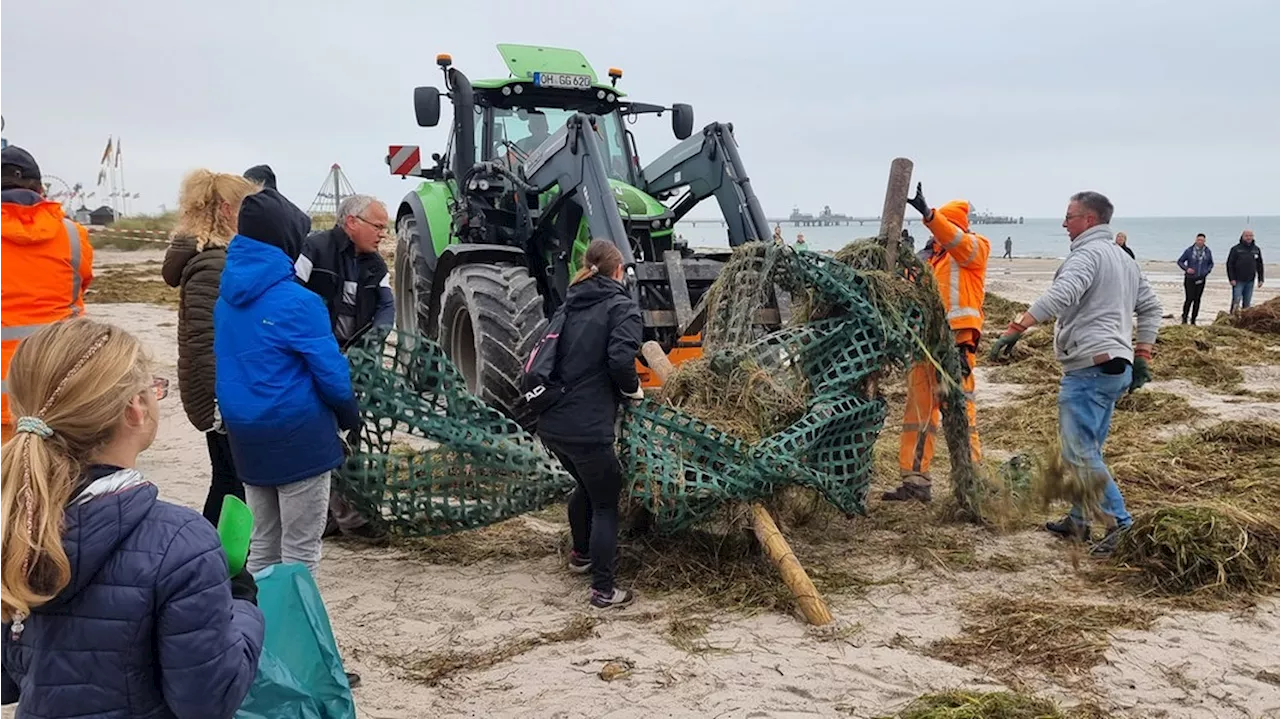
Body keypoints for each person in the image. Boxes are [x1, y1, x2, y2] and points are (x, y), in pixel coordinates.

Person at [0, 318, 263, 717]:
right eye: (154, 387)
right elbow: (208, 701)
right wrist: (242, 604)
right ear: (135, 409)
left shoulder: (13, 525)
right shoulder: (182, 543)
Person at [989, 191, 1161, 557]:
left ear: (1090, 220)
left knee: (1079, 453)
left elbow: (1062, 294)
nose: (1064, 223)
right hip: (1117, 366)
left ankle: (1120, 525)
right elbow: (1151, 307)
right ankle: (1079, 520)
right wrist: (1142, 354)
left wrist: (1016, 327)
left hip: (1090, 367)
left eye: (1070, 216)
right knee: (1088, 449)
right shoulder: (1123, 258)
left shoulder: (1087, 255)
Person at [214, 187, 361, 579]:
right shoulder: (299, 302)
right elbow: (331, 374)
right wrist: (350, 414)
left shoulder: (225, 298)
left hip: (245, 435)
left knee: (262, 543)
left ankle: (256, 627)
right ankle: (294, 632)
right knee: (300, 550)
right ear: (285, 239)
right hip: (298, 435)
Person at [536, 240, 642, 609]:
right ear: (618, 271)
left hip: (551, 421)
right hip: (587, 425)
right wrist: (634, 391)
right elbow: (619, 359)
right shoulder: (622, 308)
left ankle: (580, 555)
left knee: (583, 484)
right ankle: (604, 589)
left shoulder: (569, 305)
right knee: (606, 502)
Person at [162, 170, 261, 525]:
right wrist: (226, 400)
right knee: (232, 482)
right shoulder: (212, 264)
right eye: (244, 207)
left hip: (221, 390)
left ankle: (213, 558)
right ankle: (214, 559)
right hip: (220, 396)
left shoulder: (216, 258)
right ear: (225, 209)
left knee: (229, 479)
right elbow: (204, 342)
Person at [296, 194, 393, 545]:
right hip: (316, 360)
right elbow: (293, 298)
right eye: (378, 226)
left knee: (349, 436)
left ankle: (335, 518)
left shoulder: (376, 266)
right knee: (329, 437)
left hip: (353, 361)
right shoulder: (314, 249)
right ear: (352, 222)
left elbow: (386, 306)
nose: (383, 234)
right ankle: (350, 520)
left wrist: (373, 343)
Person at [883, 184, 989, 503]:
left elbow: (958, 243)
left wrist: (930, 215)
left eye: (940, 225)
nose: (931, 234)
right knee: (918, 411)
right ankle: (915, 481)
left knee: (959, 411)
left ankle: (971, 479)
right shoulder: (932, 260)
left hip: (956, 341)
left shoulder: (974, 247)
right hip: (925, 342)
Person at [0, 146, 94, 443]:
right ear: (41, 189)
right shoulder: (72, 234)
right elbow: (81, 284)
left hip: (3, 406)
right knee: (61, 483)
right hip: (63, 387)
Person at [1176, 233, 1214, 325]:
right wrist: (1187, 269)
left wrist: (1207, 271)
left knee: (1197, 299)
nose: (1200, 242)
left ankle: (1193, 319)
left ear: (1204, 241)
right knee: (1189, 298)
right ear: (1196, 240)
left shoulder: (1207, 251)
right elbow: (1180, 261)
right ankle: (1184, 318)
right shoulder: (1189, 251)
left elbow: (1211, 263)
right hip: (1190, 279)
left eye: (1202, 240)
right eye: (1199, 240)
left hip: (1201, 278)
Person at [1226, 230, 1264, 314]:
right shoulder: (1236, 249)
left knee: (1247, 304)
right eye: (1246, 236)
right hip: (1238, 280)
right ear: (1242, 237)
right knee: (1236, 301)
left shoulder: (1256, 249)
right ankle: (1232, 317)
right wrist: (1231, 278)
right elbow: (1230, 264)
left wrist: (1261, 279)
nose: (1249, 237)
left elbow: (1260, 265)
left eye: (1250, 236)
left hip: (1250, 280)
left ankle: (1243, 320)